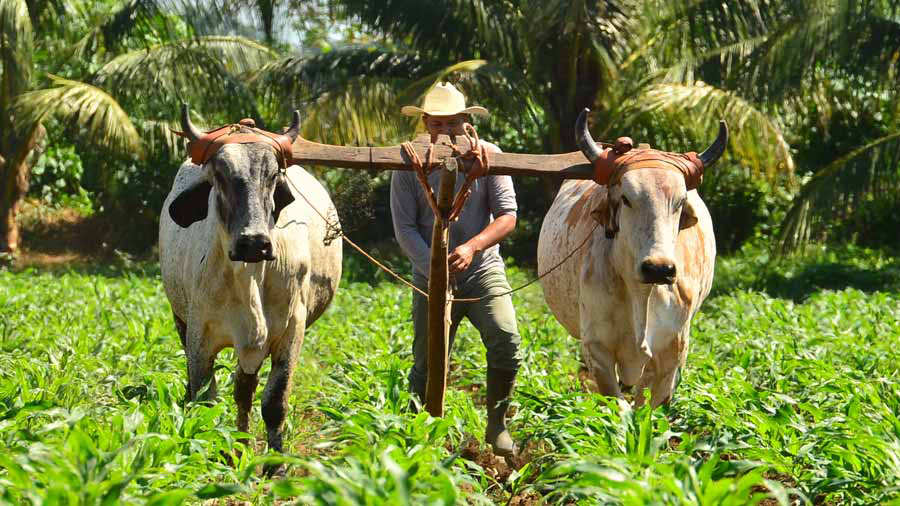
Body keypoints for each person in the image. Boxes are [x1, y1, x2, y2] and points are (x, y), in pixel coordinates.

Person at [390, 82, 521, 457]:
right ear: (425, 124)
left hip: (482, 269)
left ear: (465, 121)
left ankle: (497, 428)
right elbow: (405, 228)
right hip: (428, 272)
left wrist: (472, 246)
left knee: (506, 341)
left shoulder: (489, 155)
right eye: (435, 124)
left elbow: (508, 216)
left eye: (450, 123)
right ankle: (420, 435)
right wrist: (434, 267)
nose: (442, 132)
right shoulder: (407, 161)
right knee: (428, 360)